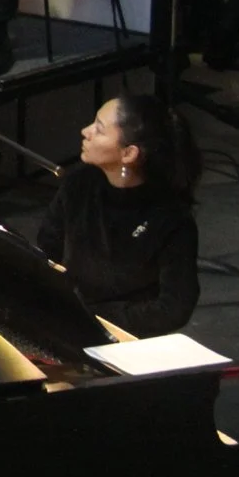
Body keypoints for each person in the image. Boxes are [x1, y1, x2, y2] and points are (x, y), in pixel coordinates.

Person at [37, 94, 201, 336]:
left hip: (127, 337)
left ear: (129, 154)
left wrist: (93, 318)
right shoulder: (78, 184)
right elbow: (47, 251)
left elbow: (174, 308)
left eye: (99, 130)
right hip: (68, 321)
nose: (85, 131)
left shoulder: (170, 219)